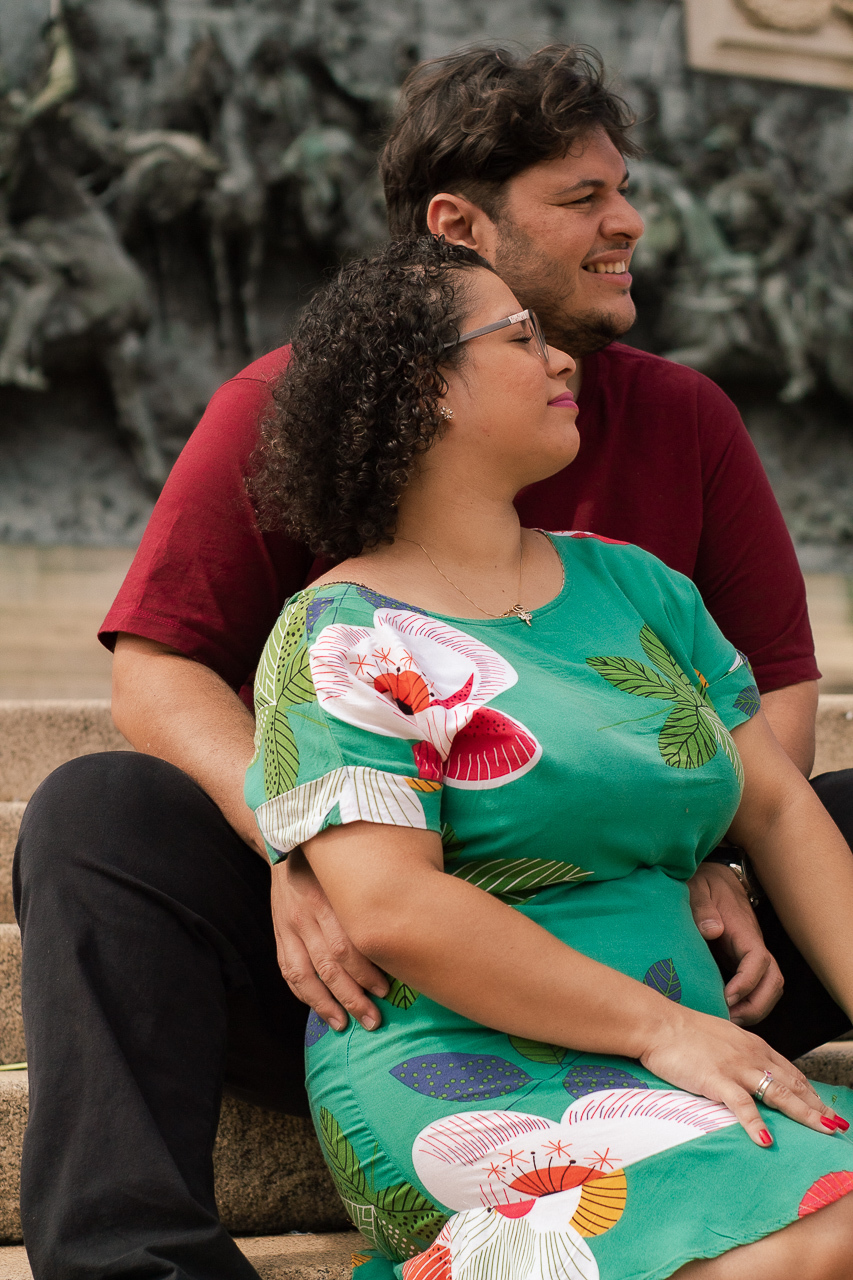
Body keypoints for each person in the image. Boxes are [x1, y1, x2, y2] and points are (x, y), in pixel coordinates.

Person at [12, 44, 851, 1280]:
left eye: (623, 189)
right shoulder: (296, 429)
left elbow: (775, 705)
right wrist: (306, 838)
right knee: (97, 812)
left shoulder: (675, 442)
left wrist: (713, 852)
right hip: (363, 958)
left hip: (663, 916)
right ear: (457, 227)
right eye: (582, 198)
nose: (628, 222)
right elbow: (156, 672)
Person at [247, 233, 853, 1280]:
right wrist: (660, 1029)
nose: (562, 356)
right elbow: (393, 907)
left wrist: (678, 1035)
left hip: (688, 1053)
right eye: (520, 336)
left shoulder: (641, 588)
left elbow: (780, 811)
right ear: (426, 388)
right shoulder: (341, 633)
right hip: (464, 1076)